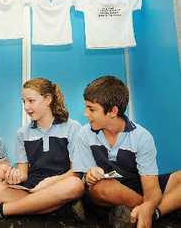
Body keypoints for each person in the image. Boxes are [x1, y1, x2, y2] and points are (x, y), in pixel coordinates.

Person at [0, 78, 85, 218]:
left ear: (47, 99)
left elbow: (75, 172)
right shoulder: (22, 133)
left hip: (59, 185)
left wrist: (50, 182)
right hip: (30, 189)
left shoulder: (73, 128)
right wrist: (14, 177)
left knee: (75, 185)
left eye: (31, 101)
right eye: (24, 101)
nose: (26, 107)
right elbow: (23, 174)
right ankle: (52, 207)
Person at [72, 76, 181, 228]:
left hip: (136, 184)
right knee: (102, 188)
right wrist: (89, 176)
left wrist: (150, 203)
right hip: (106, 189)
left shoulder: (142, 136)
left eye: (91, 109)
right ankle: (152, 211)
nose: (85, 113)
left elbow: (151, 189)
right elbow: (82, 179)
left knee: (179, 178)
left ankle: (150, 213)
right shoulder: (84, 134)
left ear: (113, 111)